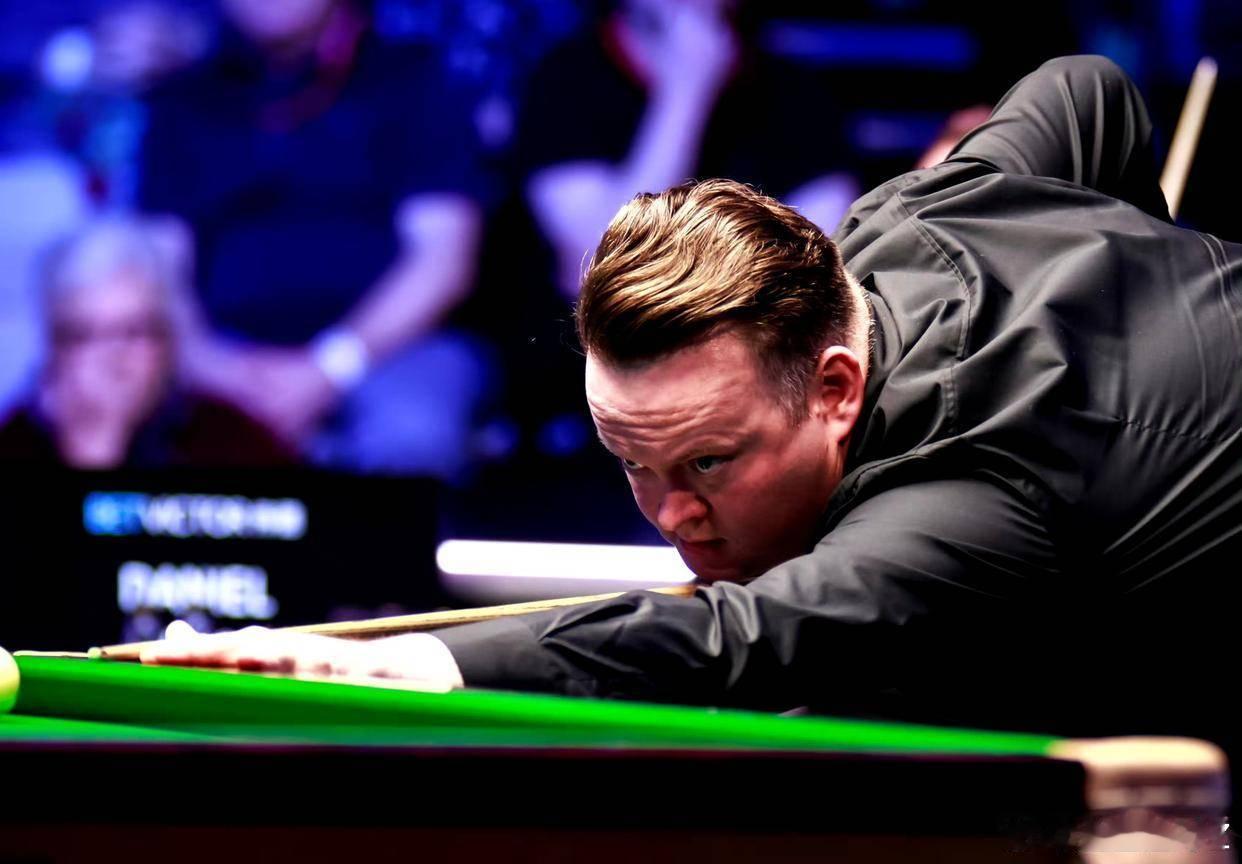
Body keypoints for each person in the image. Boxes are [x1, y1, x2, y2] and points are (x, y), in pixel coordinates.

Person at [144, 57, 1241, 752]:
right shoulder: (927, 211)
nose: (670, 514)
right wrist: (1139, 267)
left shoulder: (969, 490)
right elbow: (1086, 91)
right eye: (633, 461)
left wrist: (407, 667)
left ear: (836, 387)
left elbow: (738, 641)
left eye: (710, 463)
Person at [138, 0, 493, 476]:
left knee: (411, 431)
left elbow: (443, 261)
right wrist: (212, 365)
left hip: (391, 348)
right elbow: (157, 265)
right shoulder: (183, 99)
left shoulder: (415, 79)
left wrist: (328, 367)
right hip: (222, 354)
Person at [0, 216, 289, 468]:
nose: (113, 358)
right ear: (54, 347)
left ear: (168, 339)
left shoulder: (235, 442)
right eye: (86, 335)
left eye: (134, 332)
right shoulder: (14, 444)